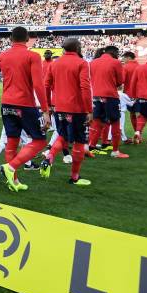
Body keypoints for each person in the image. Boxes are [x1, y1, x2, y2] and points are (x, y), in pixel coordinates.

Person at [0, 26, 50, 193]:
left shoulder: (2, 56)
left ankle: (14, 181)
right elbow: (38, 85)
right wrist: (46, 110)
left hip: (7, 105)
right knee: (39, 141)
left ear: (10, 39)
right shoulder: (33, 56)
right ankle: (11, 168)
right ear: (27, 39)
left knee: (12, 142)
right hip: (24, 104)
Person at [41, 38, 92, 186]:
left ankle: (49, 156)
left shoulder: (55, 64)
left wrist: (48, 105)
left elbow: (46, 85)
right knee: (79, 141)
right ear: (77, 48)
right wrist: (89, 109)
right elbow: (85, 87)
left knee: (62, 136)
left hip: (59, 107)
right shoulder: (82, 63)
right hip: (77, 109)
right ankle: (74, 177)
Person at [90, 45, 128, 158]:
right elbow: (120, 81)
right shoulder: (116, 62)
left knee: (97, 122)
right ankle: (115, 151)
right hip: (110, 96)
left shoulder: (93, 62)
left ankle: (91, 147)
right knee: (115, 122)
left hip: (96, 95)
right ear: (114, 52)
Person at [121, 51, 140, 137]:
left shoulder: (125, 67)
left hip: (129, 95)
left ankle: (136, 133)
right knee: (140, 115)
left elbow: (122, 80)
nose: (123, 60)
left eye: (124, 58)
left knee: (132, 114)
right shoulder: (140, 66)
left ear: (128, 58)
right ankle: (139, 134)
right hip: (140, 94)